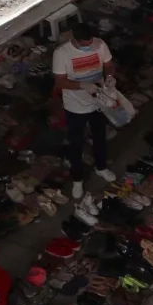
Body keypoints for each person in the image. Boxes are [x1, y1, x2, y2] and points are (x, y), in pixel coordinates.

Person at [53, 24, 117, 199]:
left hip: (98, 101)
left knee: (100, 137)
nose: (89, 46)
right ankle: (77, 179)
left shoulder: (100, 44)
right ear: (75, 39)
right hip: (75, 106)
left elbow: (109, 65)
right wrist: (82, 85)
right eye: (85, 44)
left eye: (90, 43)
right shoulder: (62, 53)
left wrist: (110, 78)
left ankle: (101, 167)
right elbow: (60, 82)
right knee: (76, 144)